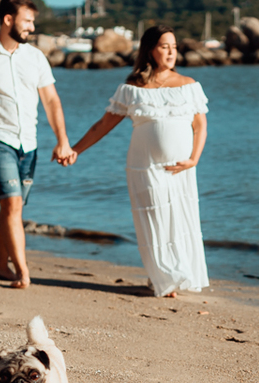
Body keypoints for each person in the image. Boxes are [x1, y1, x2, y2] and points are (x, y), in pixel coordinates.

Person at [71, 25, 208, 297]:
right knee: (155, 220)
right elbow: (102, 125)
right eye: (164, 46)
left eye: (174, 47)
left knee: (179, 220)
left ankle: (169, 275)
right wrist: (75, 150)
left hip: (181, 168)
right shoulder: (132, 88)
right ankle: (163, 277)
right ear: (150, 50)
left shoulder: (189, 85)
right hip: (144, 167)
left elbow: (200, 126)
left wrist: (194, 159)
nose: (171, 52)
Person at [0, 0, 75, 289]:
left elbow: (51, 101)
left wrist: (62, 140)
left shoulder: (35, 57)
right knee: (12, 203)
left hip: (28, 144)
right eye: (28, 21)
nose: (32, 27)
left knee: (11, 208)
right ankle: (23, 271)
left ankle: (0, 266)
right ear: (8, 20)